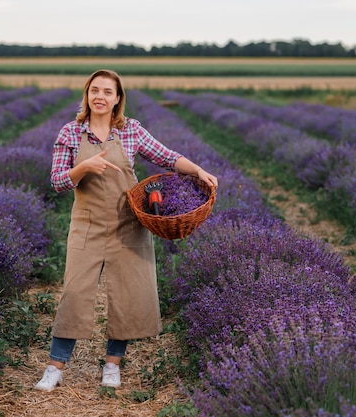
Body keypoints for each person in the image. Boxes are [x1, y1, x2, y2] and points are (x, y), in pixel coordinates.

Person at [34, 69, 218, 392]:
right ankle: (55, 367)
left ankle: (112, 365)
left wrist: (199, 171)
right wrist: (84, 167)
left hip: (127, 225)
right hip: (87, 224)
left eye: (107, 91)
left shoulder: (131, 130)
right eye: (95, 90)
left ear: (118, 98)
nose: (100, 97)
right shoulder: (70, 133)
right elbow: (58, 181)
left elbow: (168, 157)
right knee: (74, 293)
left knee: (125, 294)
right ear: (87, 94)